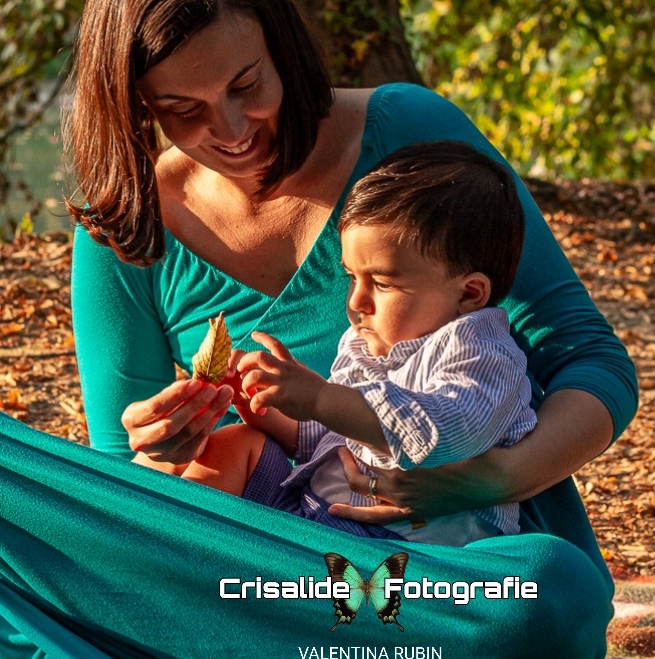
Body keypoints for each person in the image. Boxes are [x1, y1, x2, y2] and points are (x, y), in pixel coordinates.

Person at [0, 0, 638, 659]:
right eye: (184, 108)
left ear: (281, 45)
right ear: (134, 104)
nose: (234, 130)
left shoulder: (409, 135)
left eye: (247, 85)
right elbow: (138, 513)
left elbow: (590, 361)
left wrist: (494, 477)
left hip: (420, 581)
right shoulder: (124, 224)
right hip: (254, 573)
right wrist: (158, 453)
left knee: (544, 596)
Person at [137, 141, 538, 549]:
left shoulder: (482, 351)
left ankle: (192, 568)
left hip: (403, 547)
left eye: (382, 283)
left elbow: (440, 433)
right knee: (234, 444)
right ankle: (176, 557)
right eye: (351, 277)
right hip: (314, 515)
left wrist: (318, 398)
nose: (356, 303)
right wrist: (260, 403)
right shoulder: (366, 342)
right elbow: (323, 440)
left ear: (469, 294)